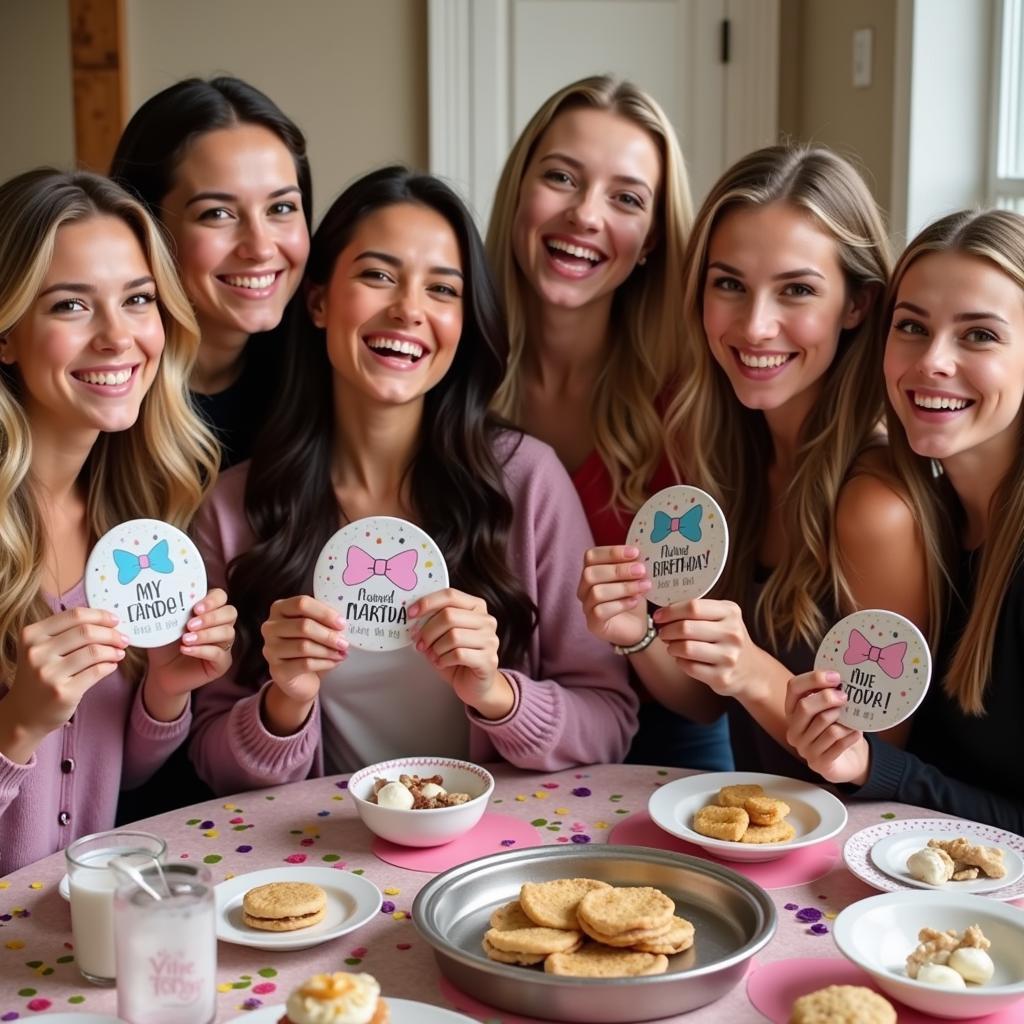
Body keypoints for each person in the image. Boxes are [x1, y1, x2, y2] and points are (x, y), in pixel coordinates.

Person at [189, 167, 637, 794]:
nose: (408, 310)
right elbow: (208, 755)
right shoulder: (233, 508)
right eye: (378, 275)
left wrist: (496, 693)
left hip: (490, 855)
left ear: (464, 320)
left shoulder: (527, 482)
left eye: (443, 290)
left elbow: (611, 720)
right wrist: (281, 705)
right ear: (318, 300)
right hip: (322, 865)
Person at [579, 145, 928, 779]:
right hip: (752, 832)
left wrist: (751, 669)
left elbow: (875, 762)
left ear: (858, 305)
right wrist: (635, 631)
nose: (756, 325)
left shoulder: (876, 506)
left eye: (796, 290)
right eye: (730, 285)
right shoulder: (730, 460)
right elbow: (705, 700)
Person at [486, 74, 730, 770]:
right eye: (561, 177)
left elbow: (703, 699)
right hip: (490, 728)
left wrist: (634, 638)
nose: (586, 215)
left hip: (664, 734)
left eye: (625, 198)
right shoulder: (447, 370)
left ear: (652, 238)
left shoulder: (690, 404)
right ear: (519, 194)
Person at [0, 169, 235, 875]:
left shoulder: (129, 526)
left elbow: (107, 777)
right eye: (71, 305)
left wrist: (165, 690)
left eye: (138, 300)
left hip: (70, 947)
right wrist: (16, 729)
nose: (117, 337)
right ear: (7, 334)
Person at [786, 208, 1024, 830]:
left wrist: (875, 768)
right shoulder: (930, 521)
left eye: (979, 335)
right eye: (912, 326)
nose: (932, 362)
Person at [110, 75, 312, 468]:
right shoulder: (105, 384)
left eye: (281, 208)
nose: (260, 248)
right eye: (217, 213)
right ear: (146, 224)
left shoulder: (323, 378)